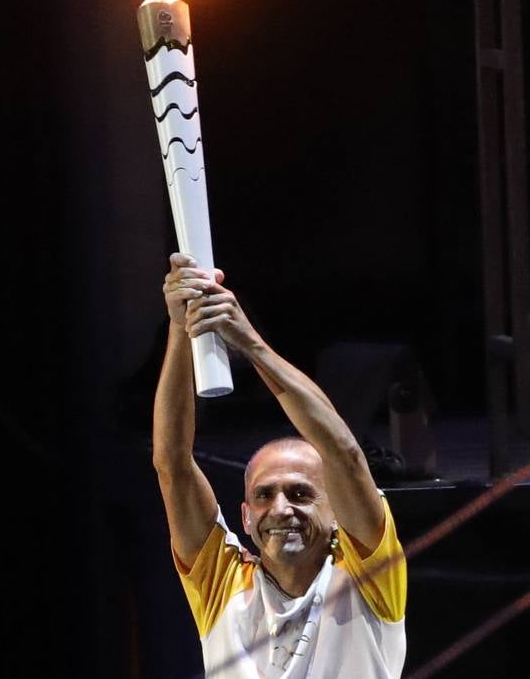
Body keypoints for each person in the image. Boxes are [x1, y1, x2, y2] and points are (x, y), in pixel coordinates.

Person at [153, 253, 407, 678]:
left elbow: (343, 451)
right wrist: (183, 327)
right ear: (246, 516)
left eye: (301, 493)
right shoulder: (223, 585)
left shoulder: (367, 576)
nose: (281, 508)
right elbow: (172, 464)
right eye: (264, 495)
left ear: (335, 512)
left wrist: (248, 341)